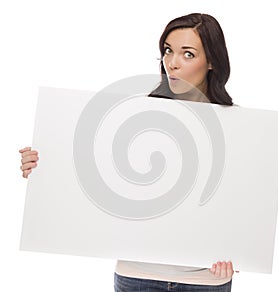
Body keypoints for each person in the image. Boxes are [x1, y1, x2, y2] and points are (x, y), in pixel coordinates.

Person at [20, 13, 236, 292]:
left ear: (212, 61)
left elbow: (245, 205)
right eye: (168, 50)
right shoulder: (134, 118)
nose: (172, 62)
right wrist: (43, 167)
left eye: (188, 54)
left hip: (204, 280)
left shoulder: (239, 128)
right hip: (138, 276)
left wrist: (240, 253)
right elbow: (93, 175)